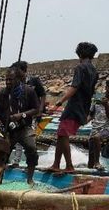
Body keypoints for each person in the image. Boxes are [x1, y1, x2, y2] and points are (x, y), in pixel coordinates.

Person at [47, 42, 99, 174]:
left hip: (74, 106)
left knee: (63, 133)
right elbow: (91, 91)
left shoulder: (80, 68)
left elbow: (74, 87)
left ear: (80, 54)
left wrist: (58, 103)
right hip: (84, 106)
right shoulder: (94, 71)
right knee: (61, 134)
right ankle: (56, 164)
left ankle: (69, 166)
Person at [0, 67, 39, 185]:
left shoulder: (28, 91)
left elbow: (36, 109)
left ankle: (30, 178)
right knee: (3, 153)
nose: (8, 82)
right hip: (8, 130)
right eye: (6, 79)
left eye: (11, 79)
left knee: (32, 149)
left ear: (18, 79)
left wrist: (22, 115)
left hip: (24, 128)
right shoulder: (1, 94)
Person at [10, 61, 46, 166]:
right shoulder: (15, 83)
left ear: (23, 71)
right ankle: (16, 160)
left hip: (33, 113)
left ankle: (31, 162)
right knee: (17, 135)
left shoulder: (33, 81)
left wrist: (40, 110)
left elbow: (43, 94)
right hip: (21, 114)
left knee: (30, 138)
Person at [88, 80, 109, 170]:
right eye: (107, 87)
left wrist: (106, 106)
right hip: (95, 128)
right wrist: (83, 121)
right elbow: (91, 114)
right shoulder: (98, 97)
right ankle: (91, 168)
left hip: (107, 128)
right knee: (90, 159)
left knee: (97, 137)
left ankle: (97, 163)